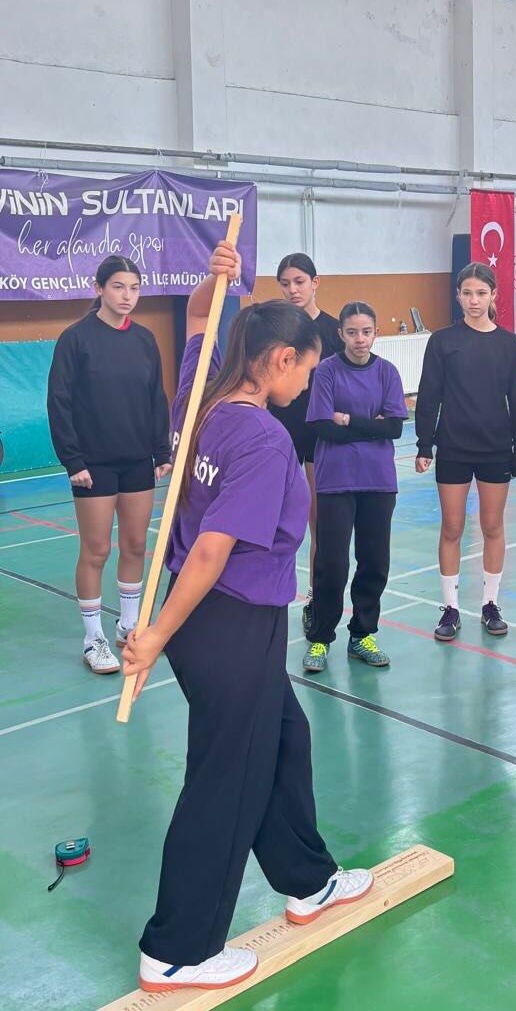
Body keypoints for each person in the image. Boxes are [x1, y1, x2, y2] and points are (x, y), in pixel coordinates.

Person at [122, 241, 371, 994]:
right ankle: (177, 949)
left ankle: (308, 878)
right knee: (224, 779)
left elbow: (201, 314)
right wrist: (153, 634)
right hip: (225, 621)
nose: (309, 379)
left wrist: (216, 273)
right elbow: (210, 555)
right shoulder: (262, 437)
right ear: (278, 360)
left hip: (221, 628)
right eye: (306, 365)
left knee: (284, 739)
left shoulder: (202, 388)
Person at [47, 256, 172, 676]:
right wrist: (73, 460)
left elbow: (157, 396)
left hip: (138, 460)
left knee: (136, 545)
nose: (127, 296)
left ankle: (129, 625)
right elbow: (59, 403)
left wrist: (161, 451)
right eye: (118, 286)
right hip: (93, 465)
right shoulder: (75, 339)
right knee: (97, 550)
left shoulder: (144, 339)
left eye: (134, 288)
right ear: (99, 288)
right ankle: (93, 638)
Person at [415, 263, 516, 641]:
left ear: (494, 295)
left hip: (496, 449)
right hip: (453, 449)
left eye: (481, 293)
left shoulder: (509, 344)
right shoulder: (443, 341)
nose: (474, 300)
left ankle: (490, 604)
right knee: (452, 527)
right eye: (467, 293)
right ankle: (450, 607)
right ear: (459, 296)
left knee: (493, 526)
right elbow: (429, 394)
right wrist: (424, 443)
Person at [302, 301, 407, 673]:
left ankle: (362, 633)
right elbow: (320, 427)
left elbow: (394, 428)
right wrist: (369, 425)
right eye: (352, 332)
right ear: (340, 334)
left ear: (376, 332)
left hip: (378, 482)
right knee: (331, 563)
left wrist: (347, 419)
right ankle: (319, 638)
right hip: (335, 481)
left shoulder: (388, 373)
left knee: (374, 560)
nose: (360, 339)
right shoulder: (326, 372)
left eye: (366, 331)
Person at [269, 252, 343, 628]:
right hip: (279, 432)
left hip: (319, 437)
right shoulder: (274, 331)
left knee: (318, 521)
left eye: (300, 281)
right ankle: (268, 593)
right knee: (274, 518)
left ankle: (315, 597)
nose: (293, 289)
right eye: (286, 283)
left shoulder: (334, 331)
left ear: (316, 283)